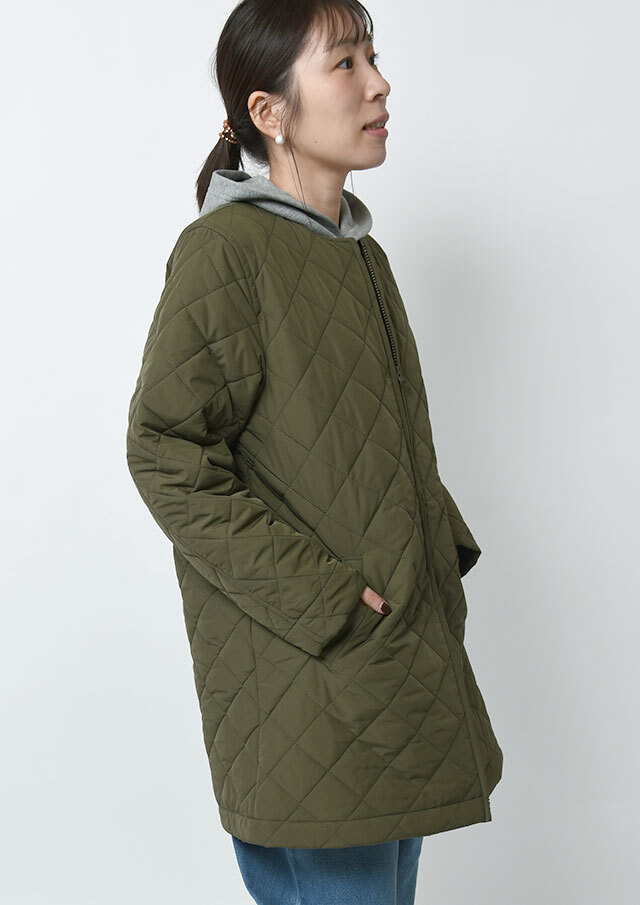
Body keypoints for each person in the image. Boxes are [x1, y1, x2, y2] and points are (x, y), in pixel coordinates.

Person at [125, 1, 504, 903]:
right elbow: (164, 452)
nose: (379, 85)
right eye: (345, 64)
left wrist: (434, 562)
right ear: (269, 111)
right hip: (309, 676)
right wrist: (332, 599)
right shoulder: (227, 252)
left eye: (373, 57)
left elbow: (373, 447)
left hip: (388, 663)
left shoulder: (360, 256)